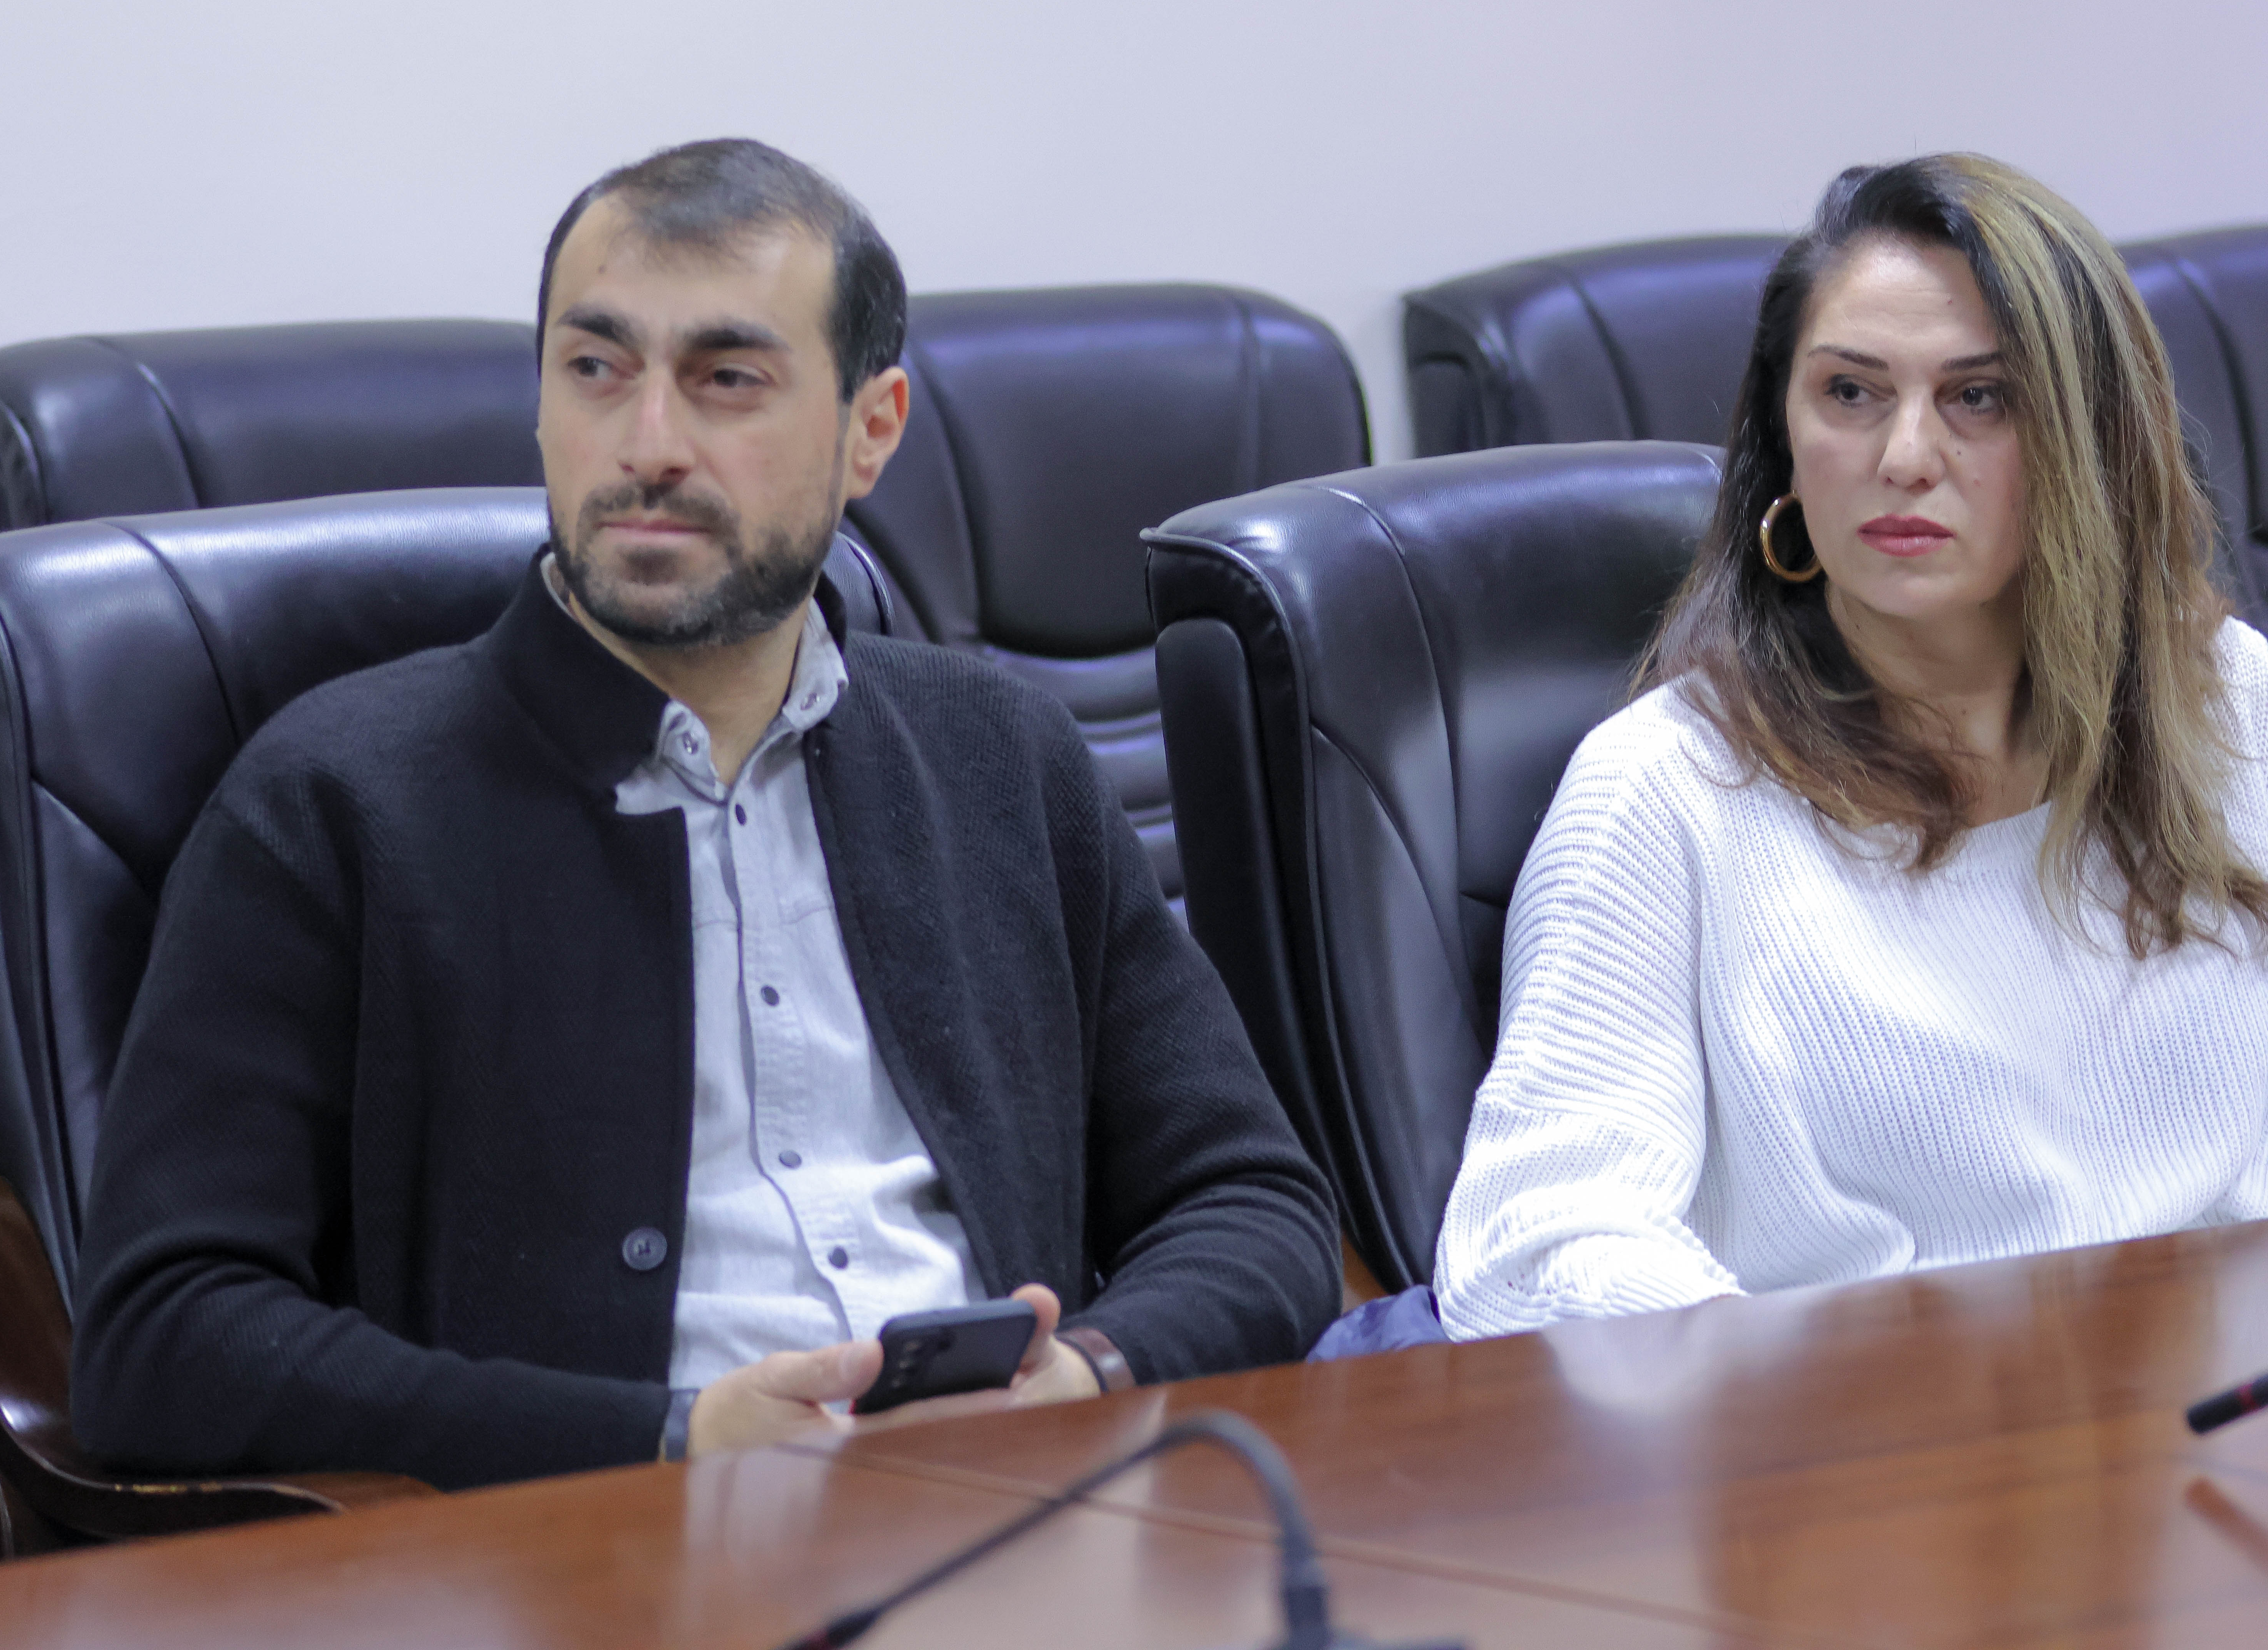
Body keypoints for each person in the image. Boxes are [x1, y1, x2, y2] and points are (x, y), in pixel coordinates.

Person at [70, 139, 1340, 1488]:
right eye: (596, 369)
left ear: (872, 431)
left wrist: (1079, 1380)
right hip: (589, 1552)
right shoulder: (333, 801)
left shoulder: (1001, 755)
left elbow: (1255, 1201)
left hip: (1026, 1509)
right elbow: (164, 1341)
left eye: (728, 380)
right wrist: (666, 1439)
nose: (649, 445)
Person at [1433, 154, 2268, 1342]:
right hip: (1880, 1441)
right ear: (1784, 438)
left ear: (2090, 442)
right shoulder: (1663, 796)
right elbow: (1545, 1244)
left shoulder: (2224, 703)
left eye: (1979, 398)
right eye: (1850, 392)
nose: (1905, 454)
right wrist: (1833, 1401)